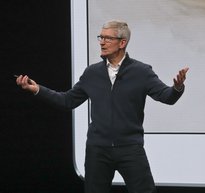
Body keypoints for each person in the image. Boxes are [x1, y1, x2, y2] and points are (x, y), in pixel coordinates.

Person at [16, 20, 189, 193]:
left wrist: (177, 88)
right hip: (98, 151)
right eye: (101, 37)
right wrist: (37, 89)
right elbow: (68, 100)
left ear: (122, 43)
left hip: (130, 149)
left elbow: (167, 97)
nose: (102, 42)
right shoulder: (92, 73)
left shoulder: (142, 72)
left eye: (107, 38)